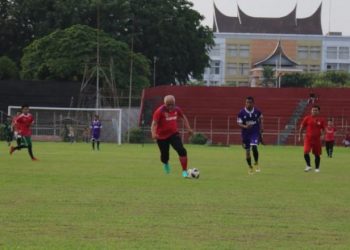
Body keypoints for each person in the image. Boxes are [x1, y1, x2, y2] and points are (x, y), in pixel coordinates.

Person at [151, 95, 193, 178]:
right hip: (161, 136)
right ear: (164, 104)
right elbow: (154, 123)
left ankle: (184, 171)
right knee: (164, 155)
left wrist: (189, 129)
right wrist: (153, 133)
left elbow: (183, 118)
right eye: (168, 105)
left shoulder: (177, 109)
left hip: (173, 134)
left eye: (172, 105)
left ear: (174, 104)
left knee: (182, 150)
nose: (170, 107)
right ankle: (165, 163)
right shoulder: (159, 111)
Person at [237, 96, 264, 174]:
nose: (248, 104)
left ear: (253, 103)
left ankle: (256, 163)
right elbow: (239, 123)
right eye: (247, 102)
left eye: (250, 102)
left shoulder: (257, 111)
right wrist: (245, 126)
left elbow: (261, 118)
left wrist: (261, 128)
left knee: (254, 147)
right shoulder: (241, 112)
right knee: (248, 151)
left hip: (254, 132)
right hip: (245, 133)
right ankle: (250, 167)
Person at [298, 105, 325, 173]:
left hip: (317, 139)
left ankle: (317, 168)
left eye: (316, 110)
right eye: (313, 110)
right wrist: (299, 135)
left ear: (318, 111)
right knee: (306, 151)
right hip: (308, 138)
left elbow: (324, 129)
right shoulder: (307, 118)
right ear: (311, 111)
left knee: (317, 154)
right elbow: (302, 127)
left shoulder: (321, 120)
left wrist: (323, 135)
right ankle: (308, 166)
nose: (314, 111)